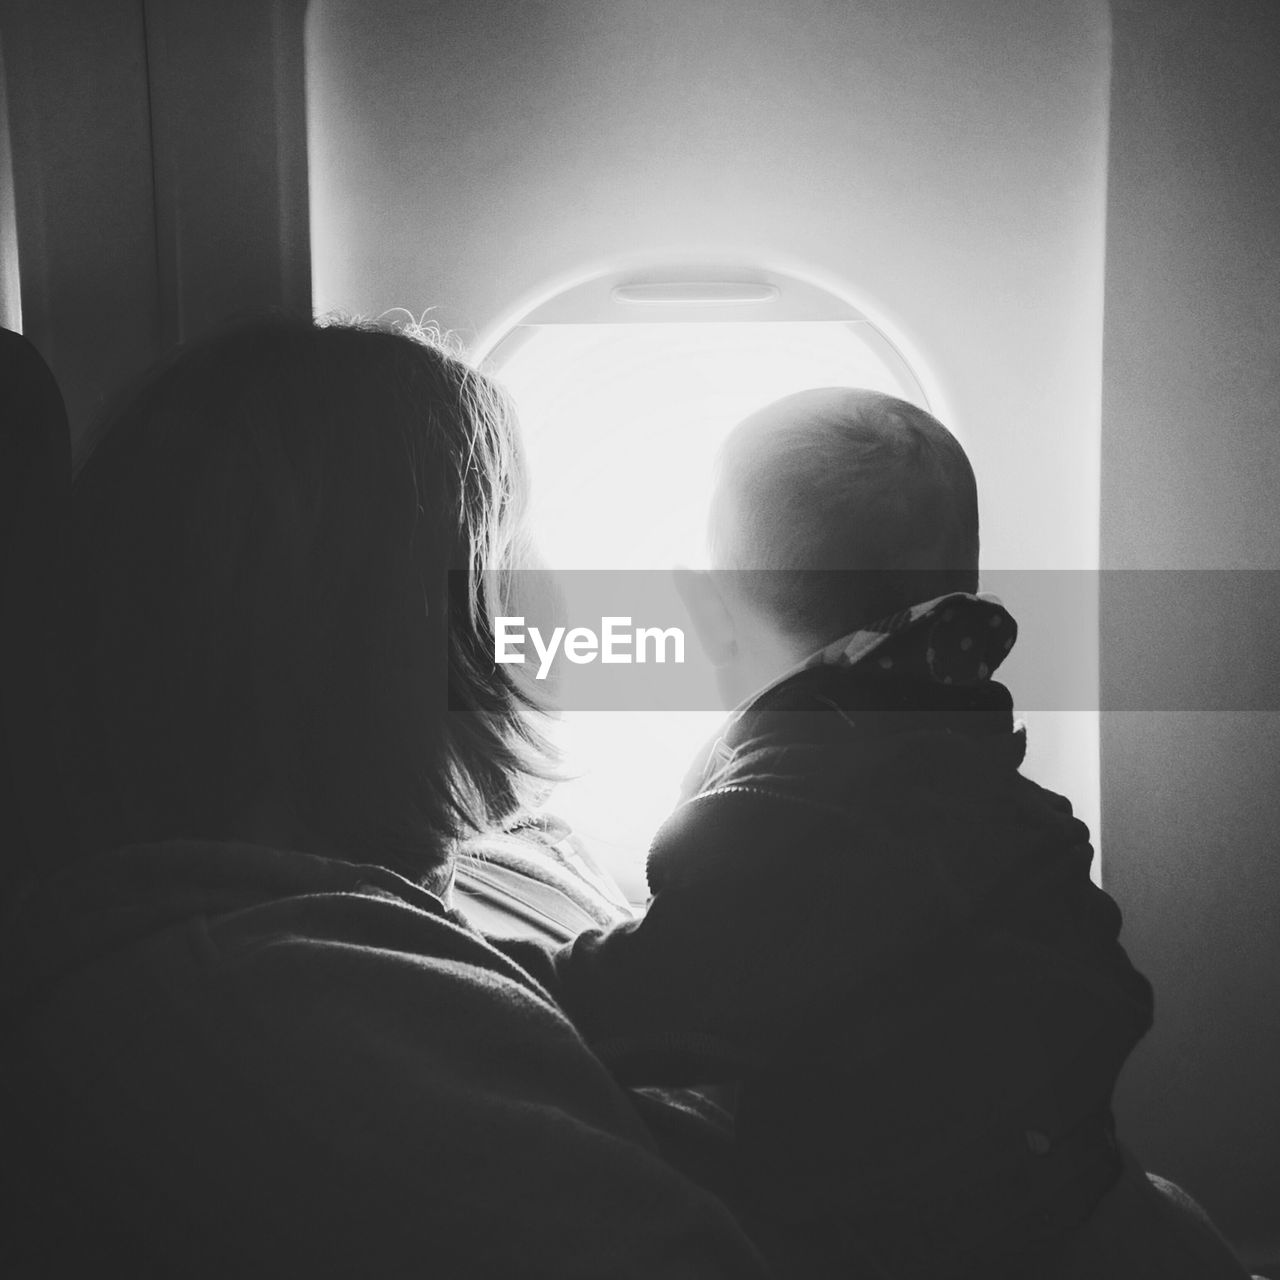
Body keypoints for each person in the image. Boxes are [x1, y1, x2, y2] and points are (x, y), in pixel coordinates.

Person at [0, 317, 770, 1277]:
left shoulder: (486, 859)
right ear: (393, 626)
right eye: (515, 540)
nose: (561, 597)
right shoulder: (289, 1012)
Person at [507, 388, 1249, 1278]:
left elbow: (655, 996)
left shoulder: (784, 808)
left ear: (710, 613)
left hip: (918, 1221)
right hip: (1059, 1150)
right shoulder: (961, 748)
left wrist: (518, 967)